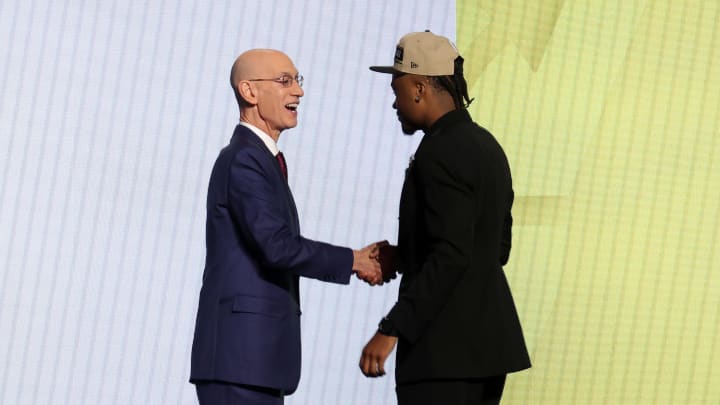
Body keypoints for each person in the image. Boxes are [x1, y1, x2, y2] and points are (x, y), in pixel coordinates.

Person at [190, 49, 384, 405]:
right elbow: (277, 246)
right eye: (284, 81)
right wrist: (354, 260)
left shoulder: (261, 159)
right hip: (239, 362)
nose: (298, 91)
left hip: (255, 363)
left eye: (298, 80)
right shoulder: (244, 159)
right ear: (249, 91)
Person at [360, 31, 531, 404]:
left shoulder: (438, 152)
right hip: (488, 351)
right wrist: (407, 255)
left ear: (419, 87)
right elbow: (493, 248)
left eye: (397, 90)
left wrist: (392, 328)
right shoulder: (488, 147)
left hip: (442, 356)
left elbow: (452, 254)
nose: (394, 103)